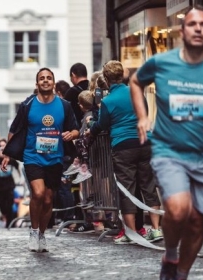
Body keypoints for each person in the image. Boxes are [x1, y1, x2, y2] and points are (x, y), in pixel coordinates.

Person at [129, 6, 203, 280]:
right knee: (178, 210)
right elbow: (135, 81)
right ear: (183, 31)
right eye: (193, 24)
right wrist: (143, 117)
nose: (198, 28)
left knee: (196, 222)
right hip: (169, 150)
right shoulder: (161, 63)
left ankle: (180, 273)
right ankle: (170, 252)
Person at [2, 68, 79, 252]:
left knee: (47, 198)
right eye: (42, 78)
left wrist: (71, 134)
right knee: (37, 193)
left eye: (49, 78)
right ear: (37, 84)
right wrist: (7, 154)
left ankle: (42, 234)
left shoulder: (64, 105)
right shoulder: (27, 105)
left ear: (53, 82)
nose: (45, 81)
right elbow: (14, 129)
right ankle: (34, 231)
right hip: (32, 156)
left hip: (55, 158)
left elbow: (75, 129)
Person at [88, 60, 162, 245]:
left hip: (123, 147)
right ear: (123, 75)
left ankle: (131, 232)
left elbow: (102, 124)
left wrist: (91, 129)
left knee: (127, 190)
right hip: (145, 142)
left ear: (106, 78)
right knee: (149, 186)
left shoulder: (107, 101)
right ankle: (155, 229)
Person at [63, 90, 93, 184]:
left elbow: (82, 133)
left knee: (80, 152)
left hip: (88, 149)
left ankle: (81, 170)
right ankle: (74, 169)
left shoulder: (87, 117)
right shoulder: (90, 115)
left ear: (81, 105)